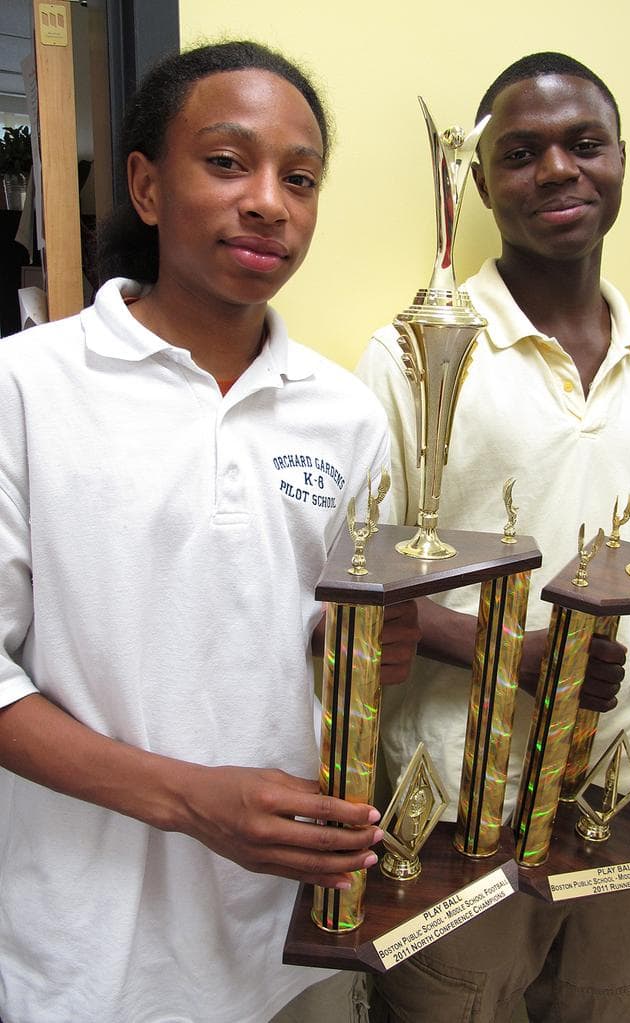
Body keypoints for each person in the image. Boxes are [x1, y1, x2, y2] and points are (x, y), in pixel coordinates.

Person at [0, 41, 418, 1023]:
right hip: (90, 955)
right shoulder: (27, 389)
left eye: (301, 177)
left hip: (293, 944)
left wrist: (355, 649)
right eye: (228, 162)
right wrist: (192, 799)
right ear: (146, 185)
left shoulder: (345, 415)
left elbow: (304, 628)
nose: (271, 201)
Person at [358, 52, 630, 1022]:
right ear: (480, 181)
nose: (557, 170)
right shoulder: (418, 348)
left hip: (622, 794)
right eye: (521, 152)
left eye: (584, 144)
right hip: (463, 799)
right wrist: (515, 652)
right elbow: (359, 576)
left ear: (622, 159)